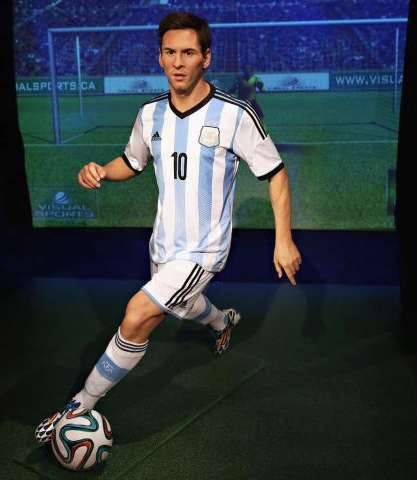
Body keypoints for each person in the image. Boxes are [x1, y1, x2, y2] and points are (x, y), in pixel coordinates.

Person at [35, 11, 301, 444]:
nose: (178, 62)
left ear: (206, 58)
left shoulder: (235, 115)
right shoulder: (150, 114)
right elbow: (132, 162)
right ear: (159, 57)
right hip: (162, 245)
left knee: (138, 315)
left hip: (203, 250)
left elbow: (276, 173)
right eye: (170, 52)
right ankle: (221, 321)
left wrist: (283, 239)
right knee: (183, 304)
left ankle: (79, 405)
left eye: (189, 53)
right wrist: (102, 170)